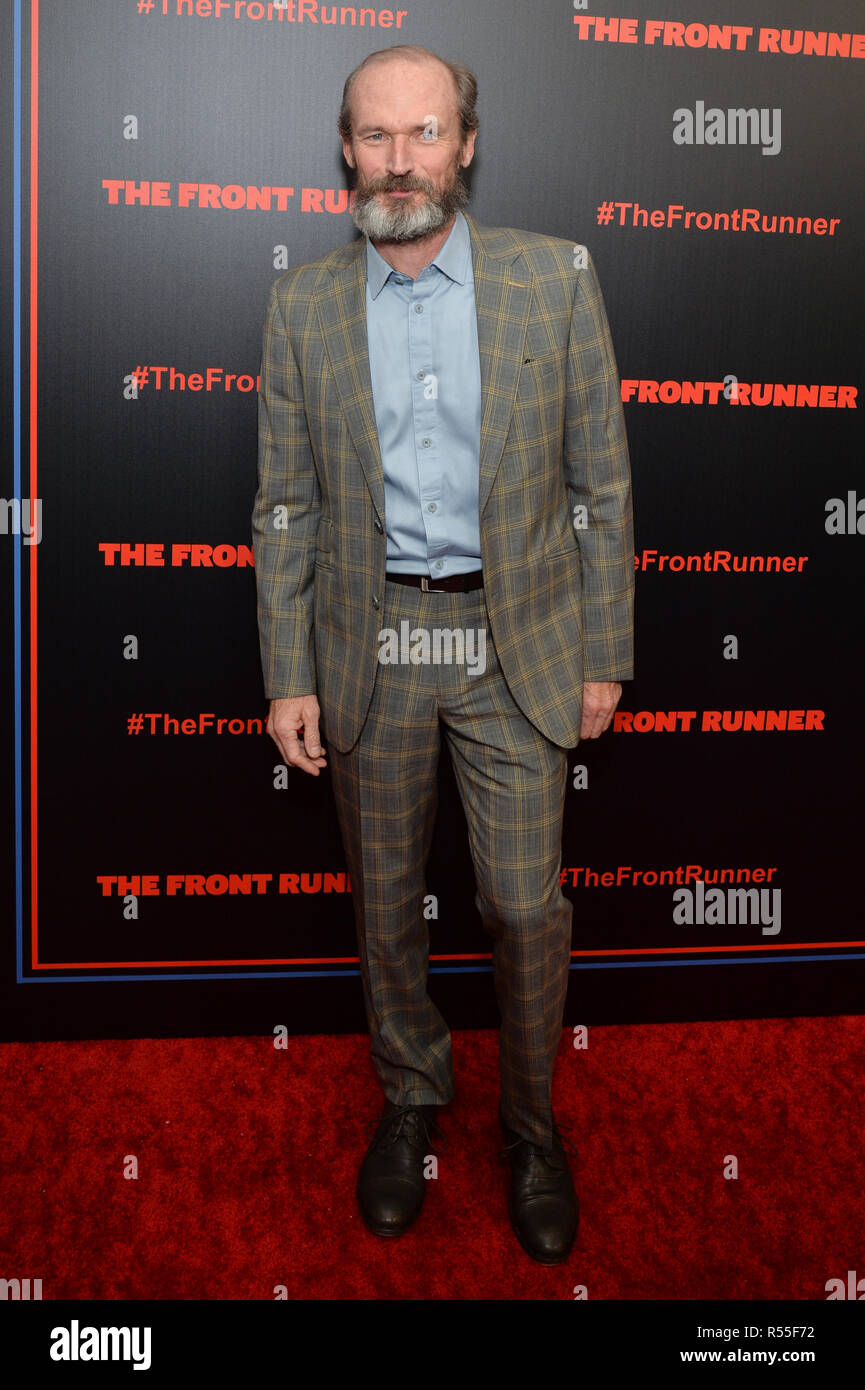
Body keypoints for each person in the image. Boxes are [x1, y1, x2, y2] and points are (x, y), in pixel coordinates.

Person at [252, 43, 634, 1265]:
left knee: (525, 909)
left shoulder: (552, 279)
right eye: (376, 136)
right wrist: (287, 671)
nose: (399, 159)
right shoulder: (302, 302)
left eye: (424, 133)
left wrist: (604, 650)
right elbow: (286, 506)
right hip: (369, 644)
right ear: (346, 152)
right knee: (384, 911)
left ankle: (532, 1127)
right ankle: (412, 1101)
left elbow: (601, 483)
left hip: (514, 639)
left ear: (465, 144)